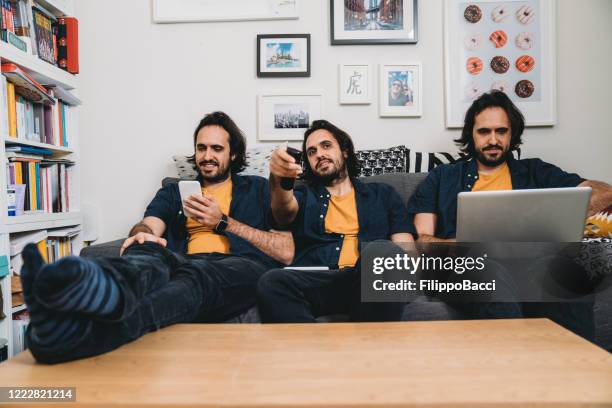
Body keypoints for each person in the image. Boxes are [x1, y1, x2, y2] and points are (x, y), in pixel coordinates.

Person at [20, 111, 294, 364]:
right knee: (145, 253)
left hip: (236, 265)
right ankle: (84, 287)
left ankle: (71, 333)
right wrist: (142, 236)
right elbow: (149, 225)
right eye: (201, 148)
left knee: (196, 279)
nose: (207, 155)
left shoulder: (258, 189)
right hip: (179, 258)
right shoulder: (173, 192)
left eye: (216, 148)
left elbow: (286, 251)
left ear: (233, 154)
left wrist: (222, 222)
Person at [407, 91, 612, 340]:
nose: (493, 140)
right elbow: (422, 240)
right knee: (489, 274)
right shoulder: (443, 178)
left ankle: (577, 370)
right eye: (484, 132)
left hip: (531, 265)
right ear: (471, 134)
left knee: (565, 274)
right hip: (468, 267)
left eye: (501, 131)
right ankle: (512, 371)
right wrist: (463, 245)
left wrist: (566, 211)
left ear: (511, 133)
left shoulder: (536, 172)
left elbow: (604, 192)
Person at [256, 119, 415, 323]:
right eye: (311, 152)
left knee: (384, 251)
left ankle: (367, 346)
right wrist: (280, 180)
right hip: (319, 283)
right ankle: (314, 352)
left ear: (345, 151)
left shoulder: (383, 194)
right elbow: (283, 211)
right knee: (271, 281)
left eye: (326, 145)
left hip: (367, 281)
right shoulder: (303, 196)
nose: (319, 154)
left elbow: (406, 251)